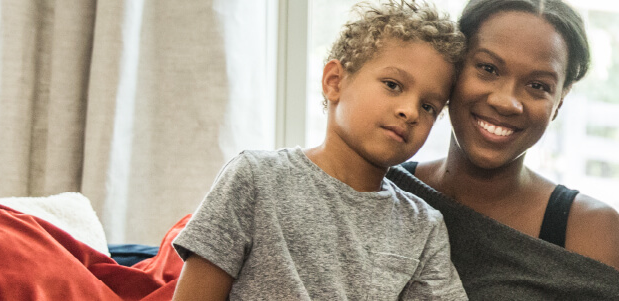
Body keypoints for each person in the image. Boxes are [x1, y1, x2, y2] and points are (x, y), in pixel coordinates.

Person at [170, 1, 467, 299]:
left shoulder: (424, 227)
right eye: (392, 84)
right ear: (334, 82)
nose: (410, 111)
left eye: (428, 106)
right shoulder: (255, 178)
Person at [383, 0, 619, 299]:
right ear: (453, 70)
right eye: (488, 68)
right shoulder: (382, 188)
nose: (506, 101)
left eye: (538, 86)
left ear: (559, 104)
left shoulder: (590, 230)